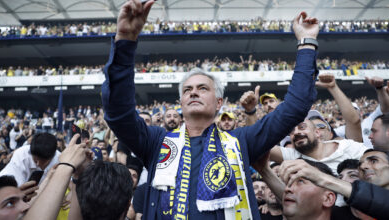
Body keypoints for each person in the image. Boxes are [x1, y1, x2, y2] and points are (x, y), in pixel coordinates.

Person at [102, 0, 319, 218]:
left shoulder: (242, 140)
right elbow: (119, 114)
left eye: (202, 88)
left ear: (218, 102)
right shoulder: (156, 142)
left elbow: (295, 106)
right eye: (187, 90)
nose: (193, 92)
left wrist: (307, 42)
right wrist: (125, 42)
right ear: (181, 103)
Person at [278, 150, 389, 220]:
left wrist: (321, 178)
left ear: (328, 198)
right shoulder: (339, 213)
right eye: (360, 164)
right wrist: (264, 170)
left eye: (374, 161)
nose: (363, 167)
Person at [270, 113, 368, 174]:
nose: (296, 132)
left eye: (302, 127)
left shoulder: (348, 147)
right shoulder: (293, 155)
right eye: (291, 131)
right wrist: (253, 113)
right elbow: (258, 145)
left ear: (317, 132)